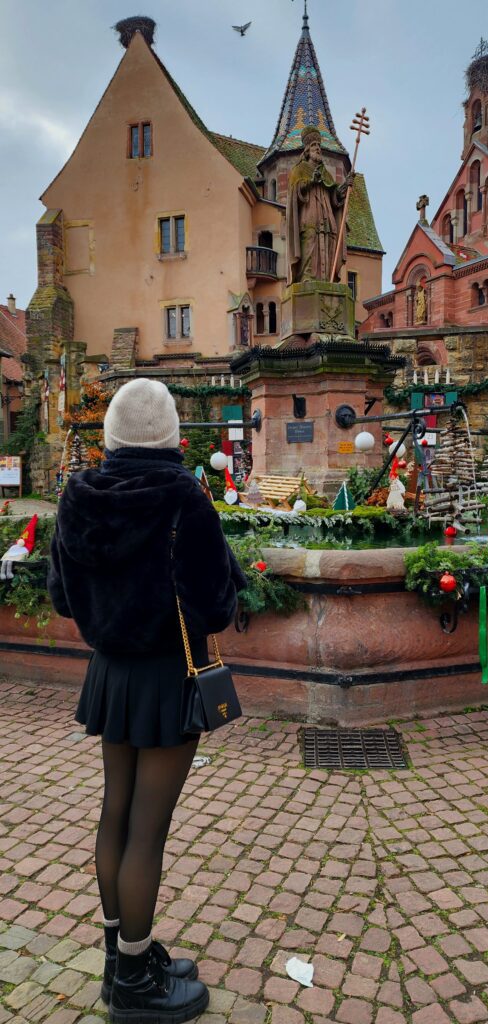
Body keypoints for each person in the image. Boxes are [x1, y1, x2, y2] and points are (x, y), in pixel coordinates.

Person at [48, 379, 246, 1024]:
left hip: (109, 673)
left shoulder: (78, 495)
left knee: (117, 810)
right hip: (166, 674)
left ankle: (120, 956)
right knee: (148, 827)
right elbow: (215, 602)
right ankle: (134, 983)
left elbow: (60, 595)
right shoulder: (184, 497)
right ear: (171, 436)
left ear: (110, 434)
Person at [286, 125, 354, 284]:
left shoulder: (326, 174)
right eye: (314, 146)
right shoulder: (299, 169)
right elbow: (294, 192)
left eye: (319, 146)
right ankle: (307, 277)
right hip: (309, 214)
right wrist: (310, 182)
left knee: (328, 243)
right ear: (307, 151)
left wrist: (344, 188)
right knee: (310, 242)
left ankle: (325, 278)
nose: (318, 149)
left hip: (327, 216)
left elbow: (334, 198)